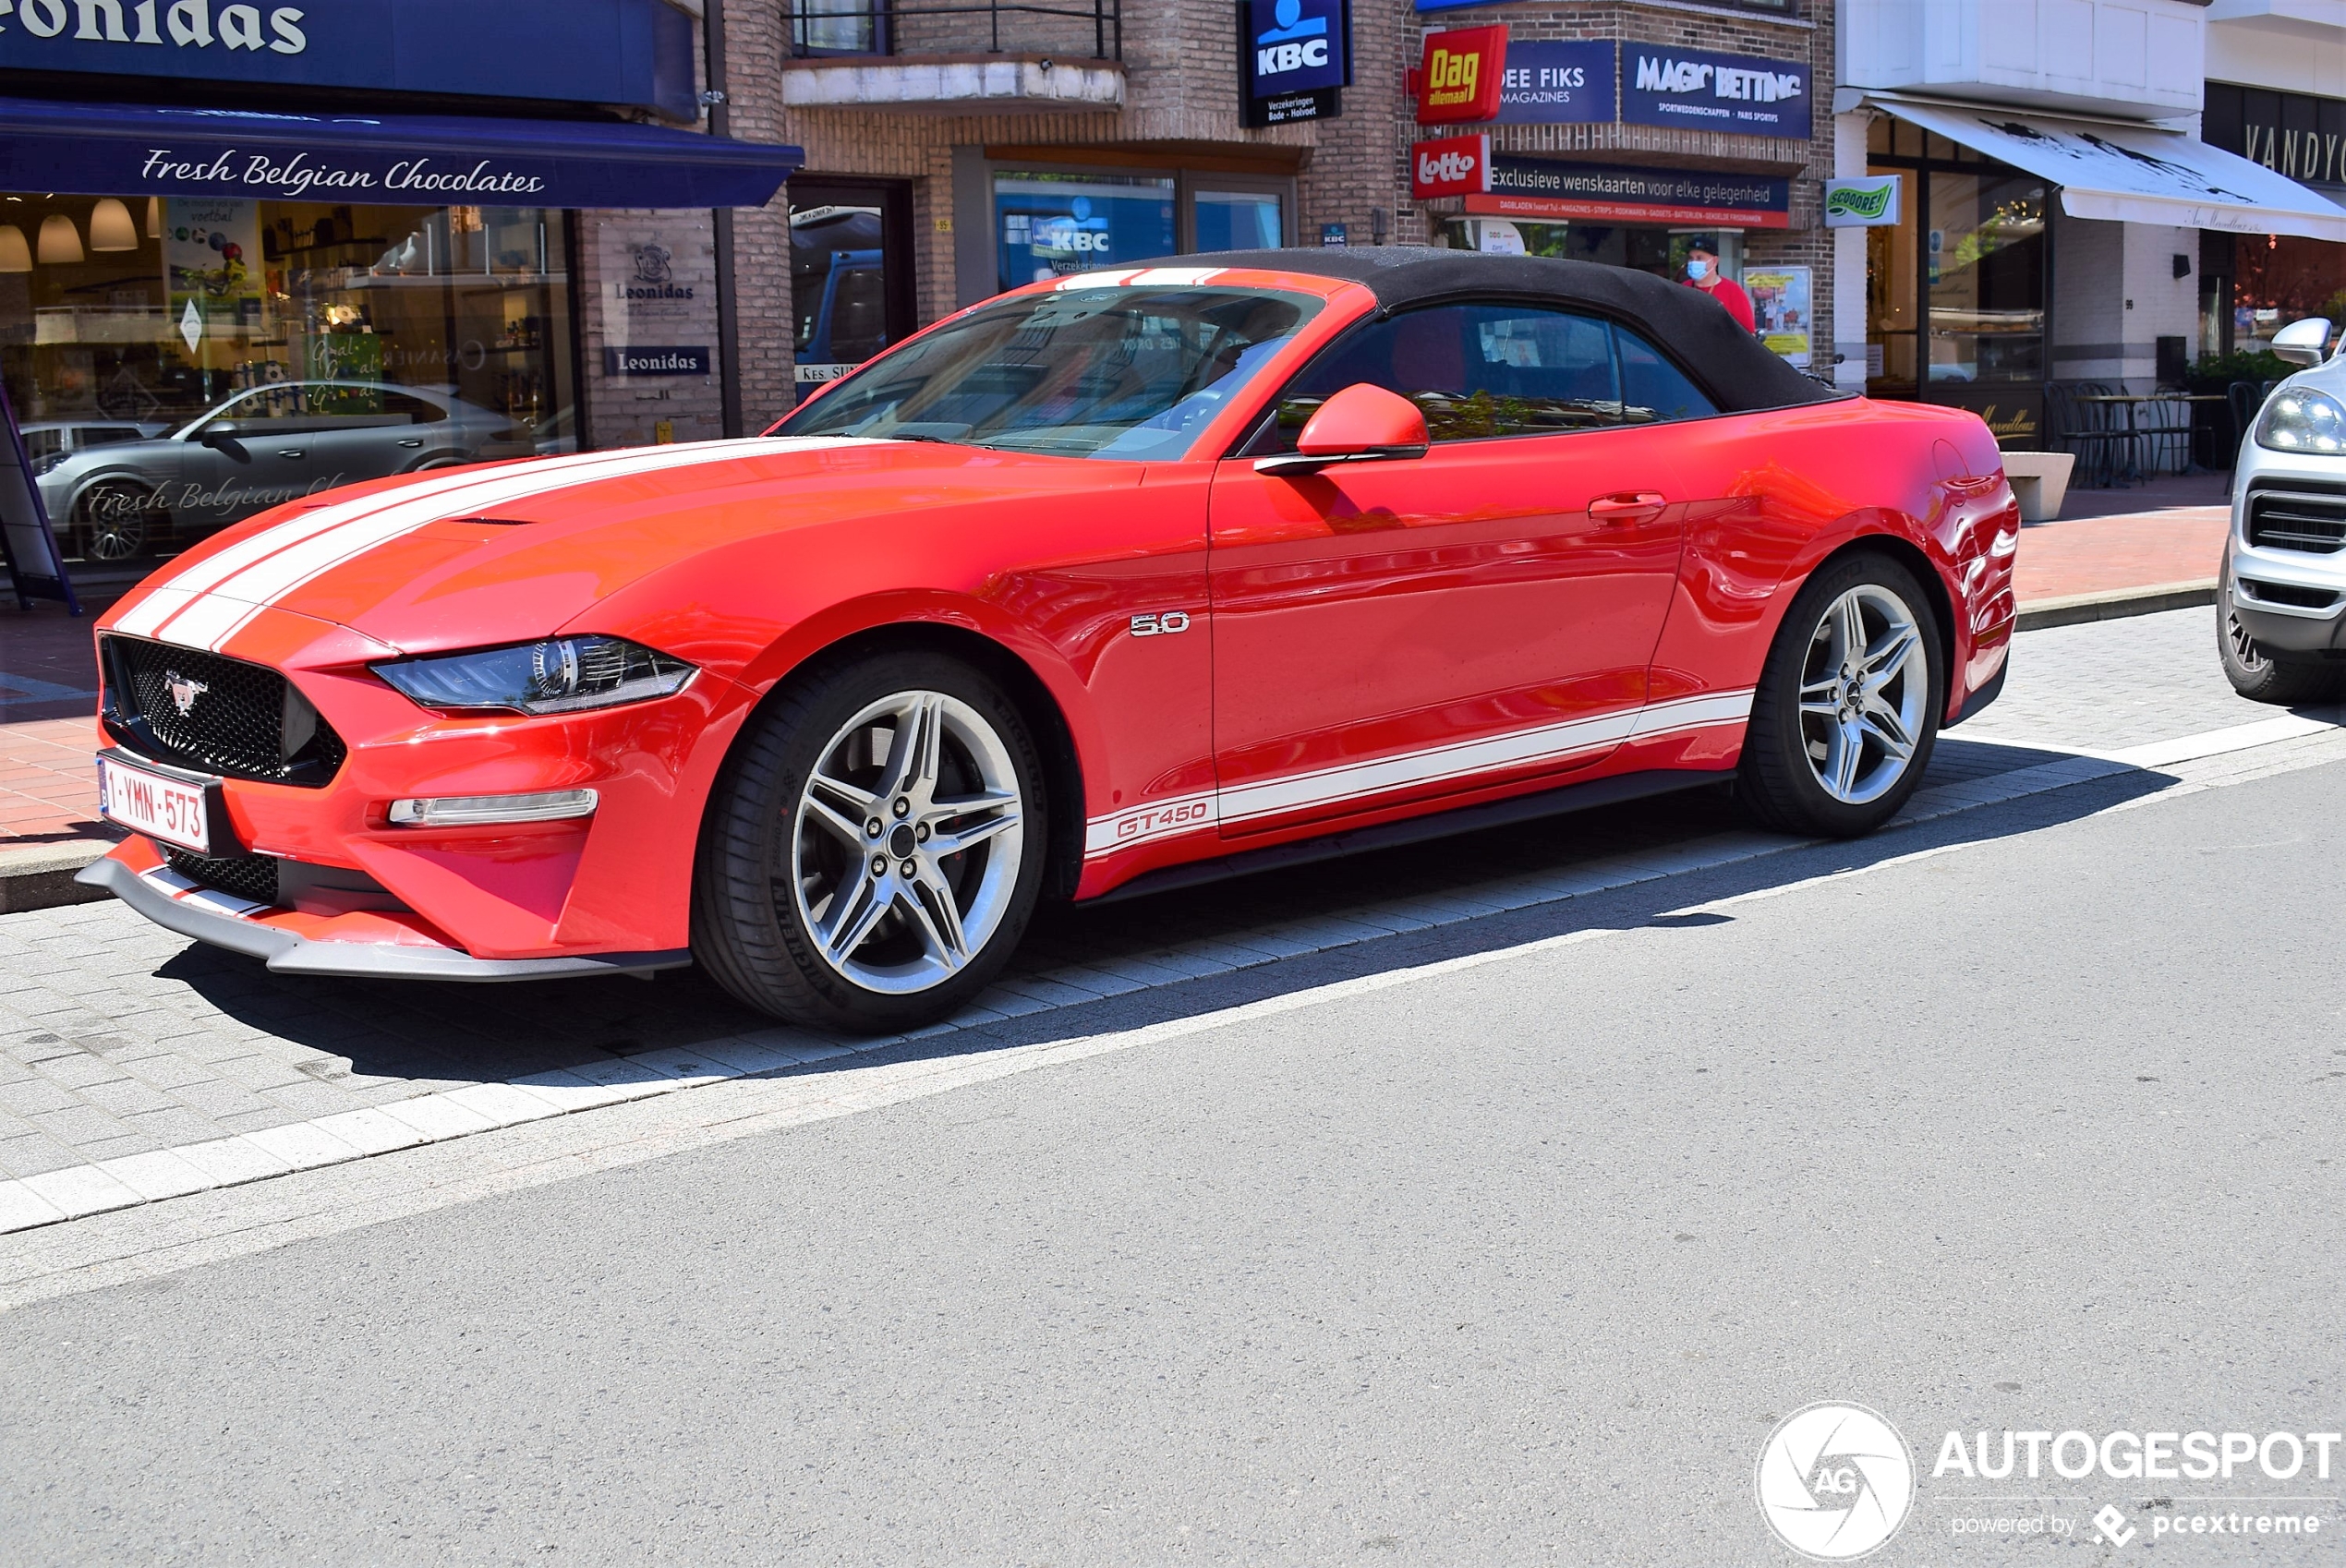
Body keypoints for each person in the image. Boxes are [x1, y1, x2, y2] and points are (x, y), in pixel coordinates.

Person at [1681, 238, 1755, 332]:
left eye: (1699, 258)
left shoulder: (1732, 290)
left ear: (1715, 261)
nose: (1694, 262)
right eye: (1691, 258)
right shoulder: (1684, 288)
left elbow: (1748, 333)